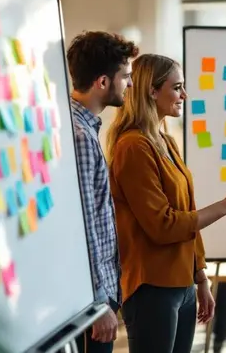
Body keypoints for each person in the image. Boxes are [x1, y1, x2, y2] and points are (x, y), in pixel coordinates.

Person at [106, 54, 226, 353]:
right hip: (152, 286)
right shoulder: (133, 146)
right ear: (152, 91)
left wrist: (200, 276)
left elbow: (187, 211)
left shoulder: (166, 141)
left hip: (182, 283)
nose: (184, 95)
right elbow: (162, 225)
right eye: (177, 87)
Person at [68, 31, 139, 353]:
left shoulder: (82, 126)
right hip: (89, 300)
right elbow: (83, 226)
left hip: (92, 294)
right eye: (125, 76)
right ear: (102, 82)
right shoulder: (80, 136)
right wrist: (98, 303)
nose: (130, 84)